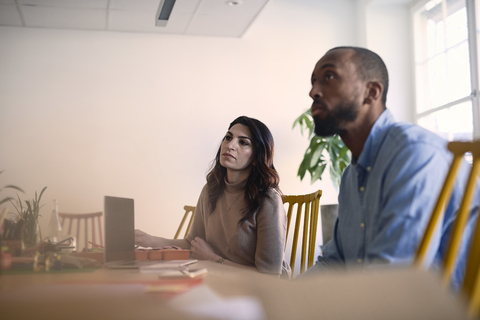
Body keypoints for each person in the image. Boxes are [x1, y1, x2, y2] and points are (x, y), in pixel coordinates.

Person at [301, 46, 478, 290]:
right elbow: (334, 263)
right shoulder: (350, 177)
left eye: (329, 77)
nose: (313, 92)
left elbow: (394, 280)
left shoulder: (415, 154)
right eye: (313, 81)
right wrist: (272, 300)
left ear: (371, 92)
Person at [135, 116, 291, 278]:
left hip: (261, 292)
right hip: (219, 280)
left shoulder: (268, 200)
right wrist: (149, 240)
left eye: (243, 142)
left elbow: (269, 277)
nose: (230, 145)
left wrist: (214, 259)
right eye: (228, 137)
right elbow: (191, 244)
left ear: (256, 157)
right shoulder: (210, 190)